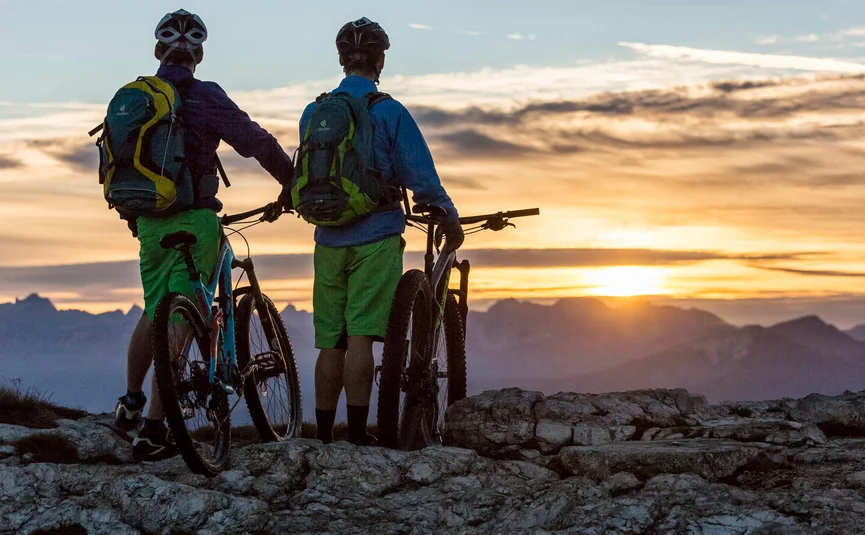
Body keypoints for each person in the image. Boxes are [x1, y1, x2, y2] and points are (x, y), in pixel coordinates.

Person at [113, 9, 294, 461]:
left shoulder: (135, 98)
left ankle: (131, 403)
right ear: (200, 54)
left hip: (148, 221)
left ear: (158, 52)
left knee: (153, 310)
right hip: (195, 220)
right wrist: (293, 182)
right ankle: (156, 431)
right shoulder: (205, 96)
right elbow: (256, 142)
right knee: (180, 318)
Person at [299, 17, 464, 446]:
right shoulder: (388, 110)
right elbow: (421, 175)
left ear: (340, 60)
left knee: (330, 342)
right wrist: (446, 214)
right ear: (380, 60)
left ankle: (321, 438)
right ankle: (356, 437)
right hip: (377, 237)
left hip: (327, 237)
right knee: (359, 340)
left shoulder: (314, 112)